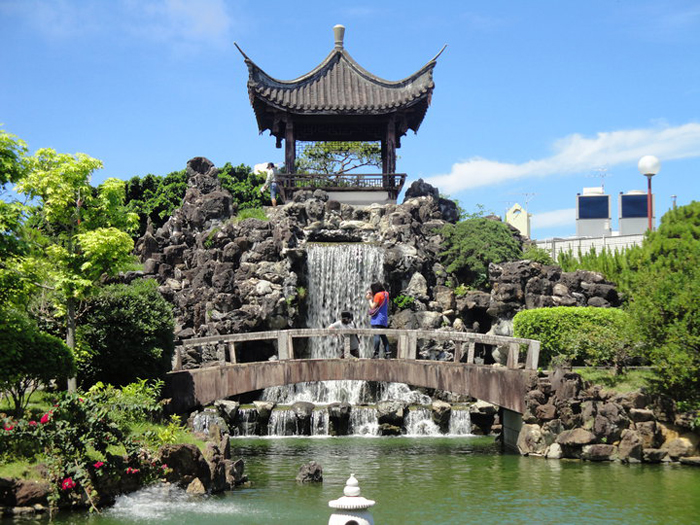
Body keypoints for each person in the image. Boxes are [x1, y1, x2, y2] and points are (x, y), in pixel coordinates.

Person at [366, 282, 390, 358]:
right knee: (383, 336)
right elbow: (380, 302)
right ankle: (388, 353)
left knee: (376, 335)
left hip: (377, 319)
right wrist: (372, 295)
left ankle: (376, 354)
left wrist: (369, 299)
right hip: (384, 318)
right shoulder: (386, 294)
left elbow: (372, 306)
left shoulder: (378, 295)